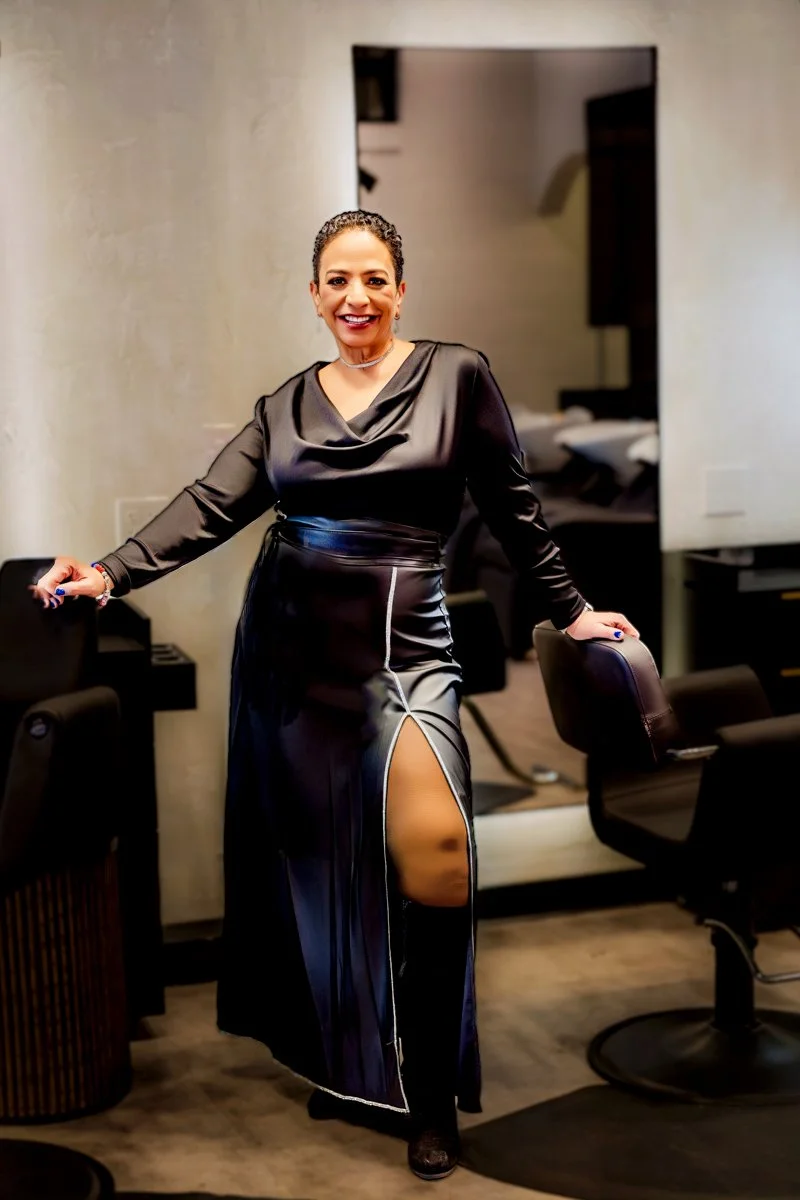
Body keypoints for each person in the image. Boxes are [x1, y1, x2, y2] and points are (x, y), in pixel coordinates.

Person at [31, 210, 639, 1182]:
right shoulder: (283, 406)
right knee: (315, 870)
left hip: (405, 645)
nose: (355, 296)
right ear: (313, 294)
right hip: (290, 650)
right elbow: (208, 502)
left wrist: (571, 613)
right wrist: (107, 574)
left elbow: (512, 507)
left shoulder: (456, 375)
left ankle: (430, 1091)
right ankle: (342, 1060)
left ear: (400, 286)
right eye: (335, 280)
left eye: (373, 278)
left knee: (434, 856)